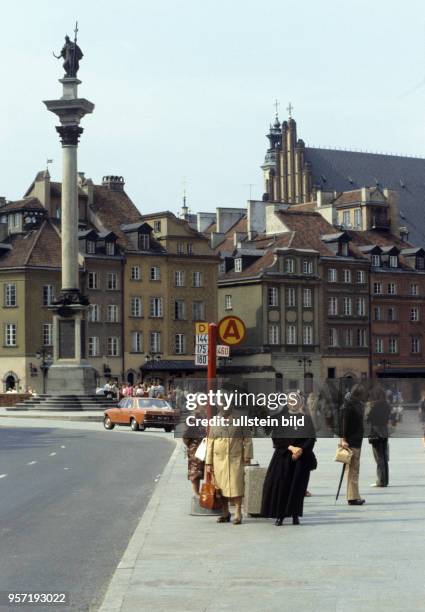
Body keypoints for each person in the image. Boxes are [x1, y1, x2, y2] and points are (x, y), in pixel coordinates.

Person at [261, 405, 316, 526]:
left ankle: (295, 515)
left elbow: (311, 438)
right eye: (291, 400)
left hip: (301, 458)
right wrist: (291, 448)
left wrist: (300, 450)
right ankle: (280, 516)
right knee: (282, 486)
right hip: (283, 457)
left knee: (297, 488)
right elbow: (276, 438)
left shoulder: (306, 419)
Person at [205, 408, 253, 525]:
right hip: (219, 460)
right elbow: (210, 442)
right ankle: (225, 513)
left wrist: (247, 456)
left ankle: (238, 513)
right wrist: (208, 462)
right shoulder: (215, 420)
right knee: (220, 487)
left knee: (236, 485)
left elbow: (248, 439)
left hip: (235, 458)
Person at [340, 381, 368, 505]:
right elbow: (344, 425)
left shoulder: (353, 404)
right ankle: (352, 497)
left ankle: (354, 495)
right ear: (358, 394)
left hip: (355, 441)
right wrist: (344, 439)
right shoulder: (349, 406)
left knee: (353, 470)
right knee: (353, 470)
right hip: (352, 442)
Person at [367, 384, 391, 487]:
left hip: (376, 432)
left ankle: (381, 481)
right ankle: (385, 480)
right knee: (384, 457)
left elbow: (368, 419)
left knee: (379, 457)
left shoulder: (374, 406)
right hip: (384, 431)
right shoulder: (387, 405)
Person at [182, 408, 207, 498]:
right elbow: (185, 434)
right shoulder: (193, 417)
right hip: (196, 446)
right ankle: (196, 494)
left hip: (208, 444)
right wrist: (192, 445)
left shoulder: (210, 414)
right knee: (196, 469)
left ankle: (209, 492)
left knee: (208, 469)